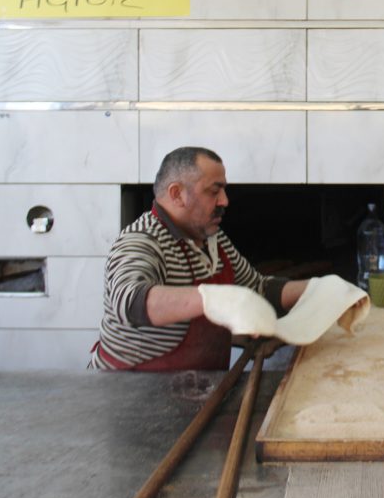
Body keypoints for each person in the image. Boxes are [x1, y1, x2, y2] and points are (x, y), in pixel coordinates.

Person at [89, 146, 310, 370]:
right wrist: (216, 300)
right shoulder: (142, 239)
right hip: (129, 386)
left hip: (198, 383)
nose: (224, 201)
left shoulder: (213, 238)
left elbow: (257, 289)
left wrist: (316, 289)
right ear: (177, 194)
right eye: (214, 191)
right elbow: (130, 302)